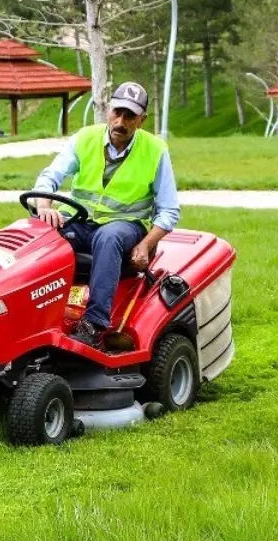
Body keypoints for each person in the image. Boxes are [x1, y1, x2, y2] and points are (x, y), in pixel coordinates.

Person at [30, 82, 181, 348]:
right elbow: (50, 176)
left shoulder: (156, 150)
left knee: (108, 237)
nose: (121, 121)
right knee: (39, 237)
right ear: (108, 111)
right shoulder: (84, 138)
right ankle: (34, 312)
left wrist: (146, 245)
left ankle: (94, 324)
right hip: (80, 222)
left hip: (126, 228)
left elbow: (169, 210)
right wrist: (44, 207)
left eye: (130, 116)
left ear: (141, 120)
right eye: (117, 112)